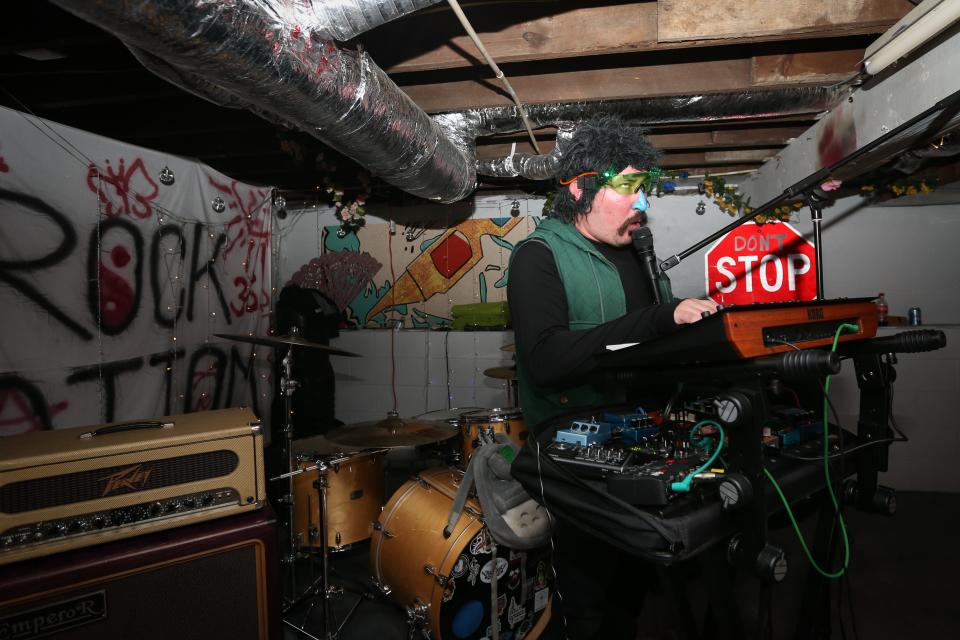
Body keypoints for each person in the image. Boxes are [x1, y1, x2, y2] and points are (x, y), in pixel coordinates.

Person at [506, 115, 718, 639]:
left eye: (643, 189)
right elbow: (547, 359)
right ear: (580, 188)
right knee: (588, 596)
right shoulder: (539, 255)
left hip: (644, 438)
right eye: (627, 187)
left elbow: (660, 349)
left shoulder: (641, 258)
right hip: (575, 451)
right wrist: (658, 319)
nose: (641, 203)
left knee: (632, 591)